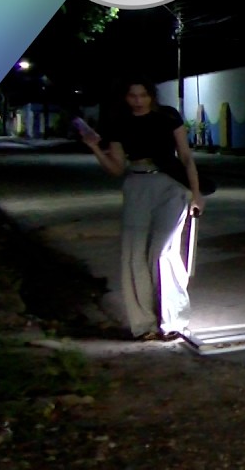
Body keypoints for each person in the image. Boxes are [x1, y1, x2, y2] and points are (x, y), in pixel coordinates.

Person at [79, 77, 203, 341]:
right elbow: (116, 169)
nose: (138, 100)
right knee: (134, 254)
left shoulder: (168, 116)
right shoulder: (118, 123)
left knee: (162, 252)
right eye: (133, 95)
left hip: (172, 185)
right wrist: (95, 149)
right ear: (126, 98)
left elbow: (186, 156)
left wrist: (196, 193)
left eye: (143, 95)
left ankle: (174, 321)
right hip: (137, 185)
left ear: (151, 96)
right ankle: (144, 324)